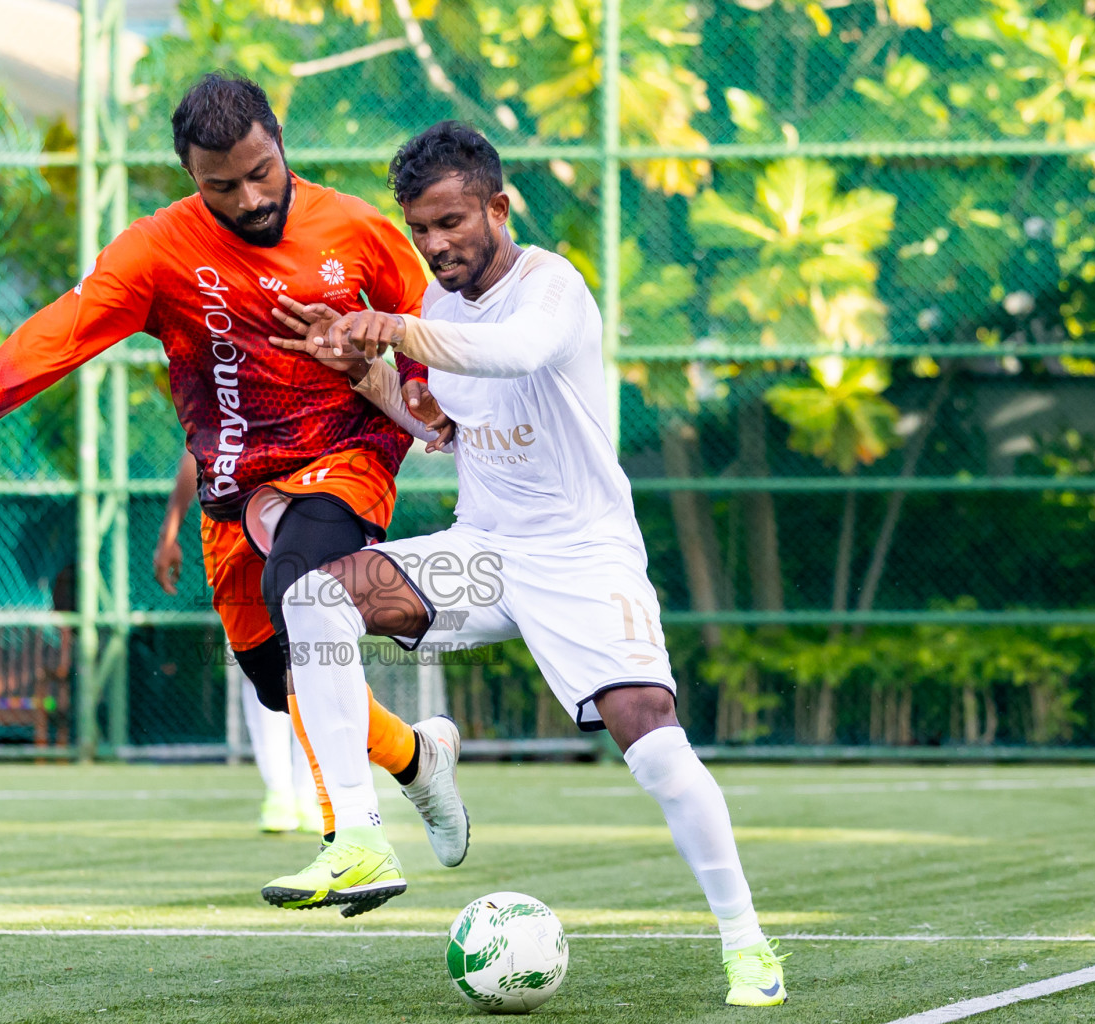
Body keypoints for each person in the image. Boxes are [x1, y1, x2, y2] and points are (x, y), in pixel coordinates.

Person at [0, 72, 469, 875]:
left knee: (303, 590)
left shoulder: (354, 229)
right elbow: (58, 333)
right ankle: (418, 758)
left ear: (281, 145)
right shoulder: (159, 249)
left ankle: (354, 839)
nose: (247, 198)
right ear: (190, 177)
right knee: (283, 687)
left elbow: (433, 330)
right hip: (233, 489)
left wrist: (419, 396)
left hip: (344, 460)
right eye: (222, 185)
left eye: (260, 173)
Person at [264, 121, 790, 1005]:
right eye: (421, 230)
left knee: (656, 748)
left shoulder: (554, 287)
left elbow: (508, 353)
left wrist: (386, 325)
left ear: (497, 207)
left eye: (453, 223)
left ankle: (747, 945)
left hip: (585, 561)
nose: (437, 246)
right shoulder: (434, 310)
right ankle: (357, 834)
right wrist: (364, 374)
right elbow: (438, 429)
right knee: (314, 598)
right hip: (488, 556)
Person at [153, 451, 321, 834]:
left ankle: (310, 790)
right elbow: (194, 453)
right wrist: (169, 532)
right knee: (259, 664)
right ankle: (280, 790)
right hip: (235, 532)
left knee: (314, 656)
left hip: (302, 516)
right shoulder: (217, 397)